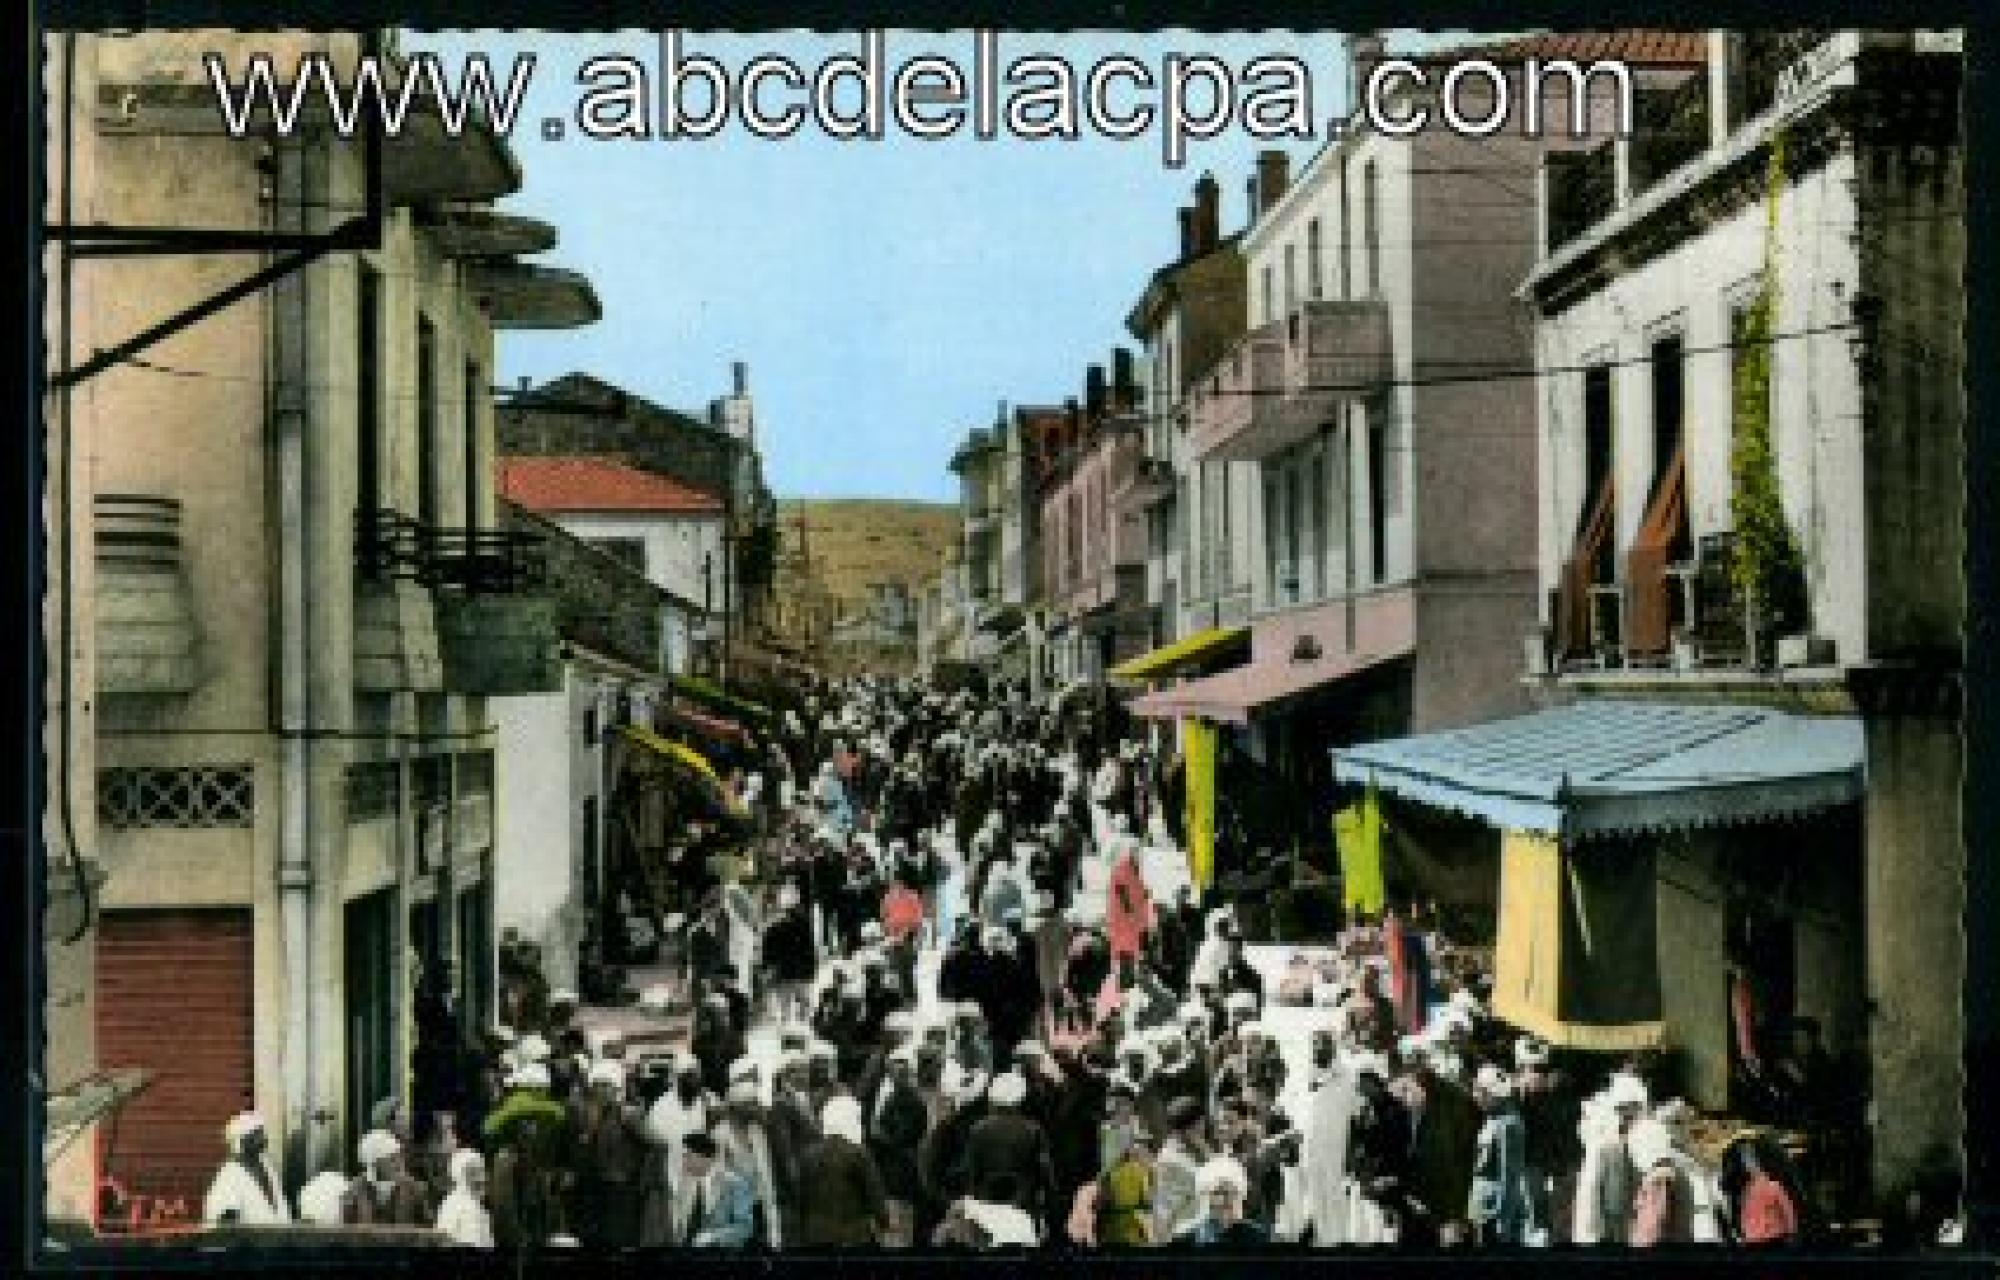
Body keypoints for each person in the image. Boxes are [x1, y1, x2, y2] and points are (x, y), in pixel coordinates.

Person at [964, 1070, 1056, 1227]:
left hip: (986, 1205)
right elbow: (1045, 1170)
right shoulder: (1032, 1130)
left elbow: (971, 1171)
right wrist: (1050, 1199)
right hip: (1023, 1205)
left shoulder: (978, 1130)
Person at [798, 1095, 888, 1247]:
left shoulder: (809, 1154)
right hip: (852, 1234)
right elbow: (874, 1193)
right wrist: (883, 1221)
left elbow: (801, 1195)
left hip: (816, 1234)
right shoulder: (857, 1154)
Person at [1467, 1065, 1531, 1245]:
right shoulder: (1492, 1118)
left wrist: (1504, 1221)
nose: (1475, 1096)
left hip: (1494, 1212)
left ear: (1492, 1094)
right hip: (1482, 1210)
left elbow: (1509, 1176)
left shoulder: (1508, 1124)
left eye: (1480, 1091)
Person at [203, 1112, 292, 1226]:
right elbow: (226, 1223)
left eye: (262, 1132)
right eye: (256, 1134)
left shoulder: (267, 1168)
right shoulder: (229, 1176)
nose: (263, 1138)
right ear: (242, 1140)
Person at [674, 1132, 756, 1248]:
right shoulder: (685, 1186)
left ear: (704, 1157)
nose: (683, 1162)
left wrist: (711, 1238)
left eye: (687, 1156)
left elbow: (744, 1227)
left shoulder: (735, 1183)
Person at [1175, 1156, 1269, 1246]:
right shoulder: (1189, 1236)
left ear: (1241, 1195)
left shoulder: (1258, 1236)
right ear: (1206, 1196)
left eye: (1227, 1193)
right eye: (1216, 1193)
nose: (1222, 1199)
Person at [435, 1148, 495, 1248]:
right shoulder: (469, 1208)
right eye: (475, 1172)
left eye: (482, 1171)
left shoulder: (449, 1203)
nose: (483, 1178)